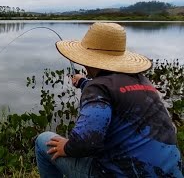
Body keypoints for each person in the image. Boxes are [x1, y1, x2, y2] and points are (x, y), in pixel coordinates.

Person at [35, 22, 183, 177]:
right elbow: (115, 92)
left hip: (120, 173)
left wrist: (66, 147)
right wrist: (83, 82)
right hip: (171, 172)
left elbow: (86, 143)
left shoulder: (98, 88)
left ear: (88, 58)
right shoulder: (142, 81)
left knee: (43, 141)